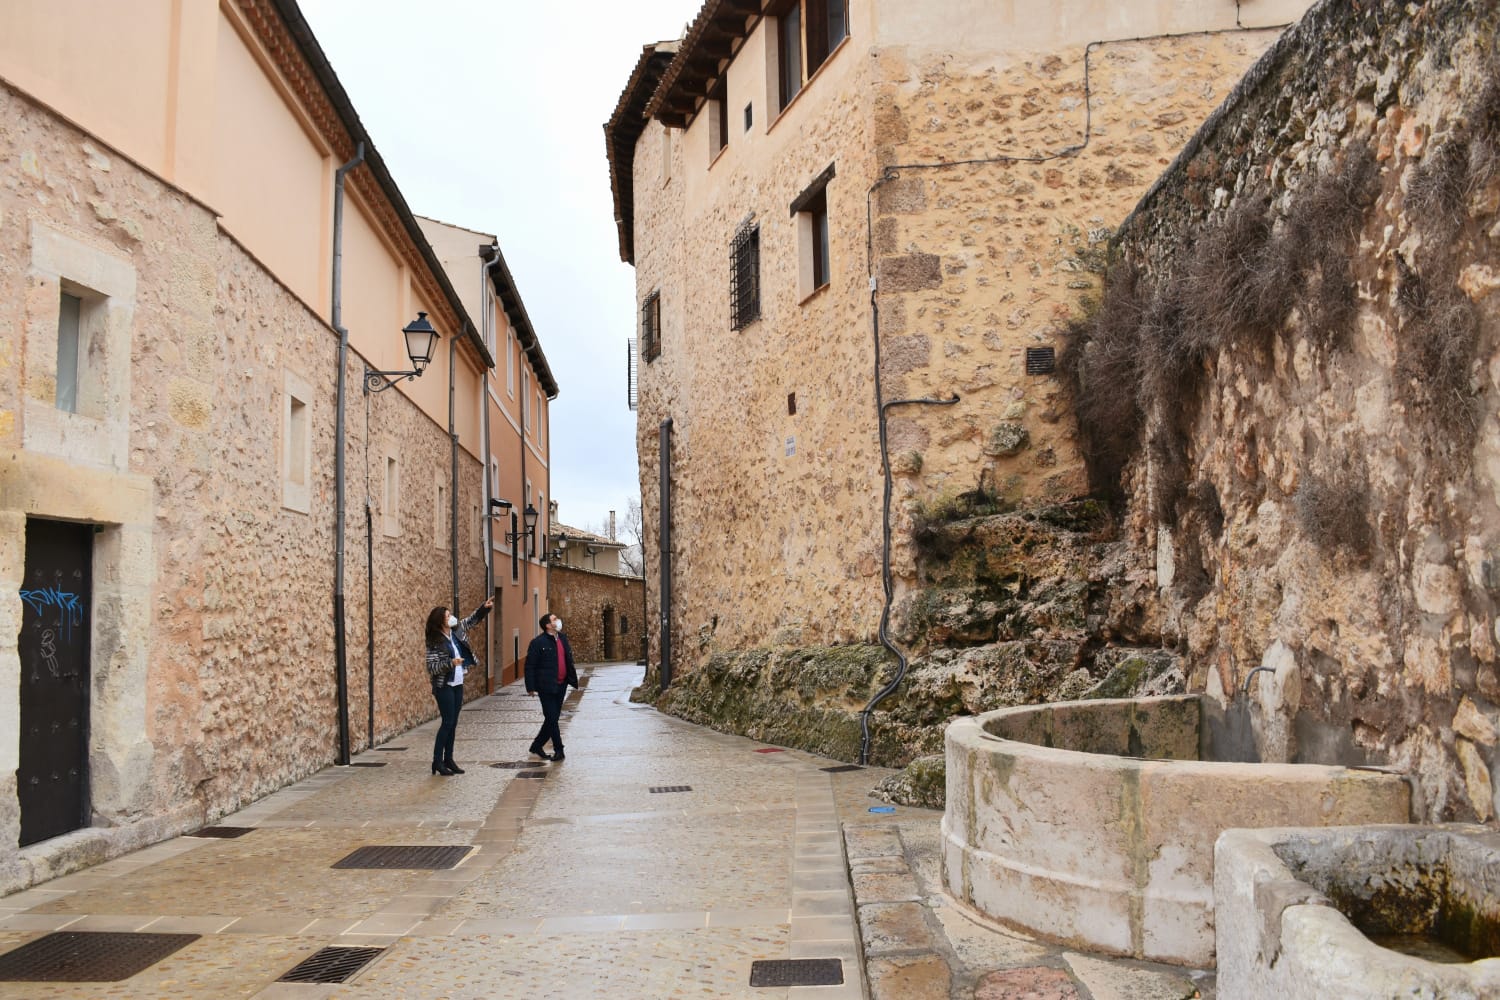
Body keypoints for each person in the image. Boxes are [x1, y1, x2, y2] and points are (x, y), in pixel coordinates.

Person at [424, 597, 493, 775]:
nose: (452, 618)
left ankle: (449, 759)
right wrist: (451, 663)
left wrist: (483, 609)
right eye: (448, 616)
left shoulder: (455, 632)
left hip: (457, 683)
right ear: (440, 621)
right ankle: (437, 761)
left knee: (453, 723)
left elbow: (471, 621)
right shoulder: (434, 641)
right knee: (447, 722)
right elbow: (431, 667)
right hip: (444, 685)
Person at [524, 611, 577, 761]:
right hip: (546, 686)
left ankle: (536, 745)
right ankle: (559, 750)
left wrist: (570, 678)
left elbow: (568, 659)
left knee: (551, 718)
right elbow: (530, 665)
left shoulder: (563, 638)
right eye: (555, 619)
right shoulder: (538, 643)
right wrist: (531, 687)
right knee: (552, 718)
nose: (558, 620)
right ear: (548, 625)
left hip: (561, 685)